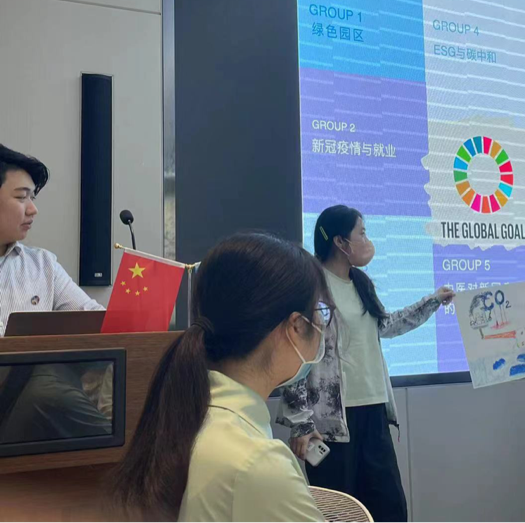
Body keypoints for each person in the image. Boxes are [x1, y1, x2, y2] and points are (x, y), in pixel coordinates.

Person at [111, 233, 327, 522]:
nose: (322, 323)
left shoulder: (188, 411)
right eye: (319, 310)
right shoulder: (258, 461)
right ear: (296, 326)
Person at [278, 205, 454, 523]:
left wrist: (432, 301)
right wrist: (301, 422)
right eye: (361, 232)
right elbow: (295, 354)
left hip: (374, 411)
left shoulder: (360, 283)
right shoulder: (310, 286)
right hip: (331, 424)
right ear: (340, 242)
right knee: (340, 512)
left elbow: (386, 325)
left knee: (390, 508)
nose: (366, 239)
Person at [0, 144, 103, 336]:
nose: (33, 210)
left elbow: (96, 320)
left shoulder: (44, 266)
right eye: (21, 197)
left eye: (32, 198)